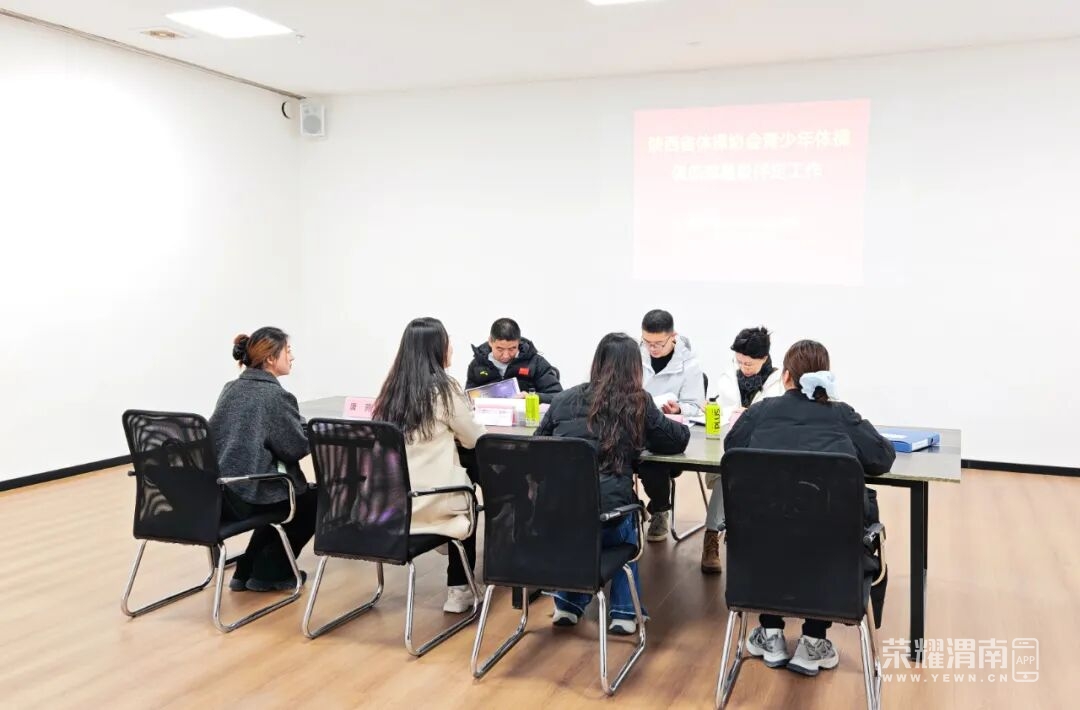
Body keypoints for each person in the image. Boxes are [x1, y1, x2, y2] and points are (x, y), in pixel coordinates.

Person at [724, 339, 895, 677]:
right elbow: (881, 457)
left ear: (786, 376)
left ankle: (770, 633)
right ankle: (813, 641)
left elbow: (733, 449)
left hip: (760, 552)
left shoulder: (760, 412)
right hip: (831, 558)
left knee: (775, 526)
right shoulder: (841, 415)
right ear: (826, 378)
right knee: (820, 528)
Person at [535, 333, 690, 635]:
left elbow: (538, 445)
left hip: (560, 512)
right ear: (634, 367)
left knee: (581, 522)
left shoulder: (564, 399)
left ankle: (567, 604)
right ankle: (623, 612)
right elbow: (675, 440)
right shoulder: (637, 402)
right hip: (610, 514)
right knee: (625, 529)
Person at [373, 317, 486, 613]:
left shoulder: (391, 390)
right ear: (437, 348)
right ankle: (460, 589)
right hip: (433, 500)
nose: (452, 348)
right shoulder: (444, 389)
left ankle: (452, 562)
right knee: (470, 492)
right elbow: (474, 438)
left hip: (393, 504)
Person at [210, 327, 317, 592]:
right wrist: (307, 428)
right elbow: (294, 448)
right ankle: (271, 573)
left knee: (282, 499)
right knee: (311, 500)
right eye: (288, 351)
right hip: (247, 495)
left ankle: (245, 571)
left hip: (220, 493)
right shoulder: (275, 396)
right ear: (270, 358)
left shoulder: (230, 388)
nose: (292, 358)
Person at [700, 326, 785, 574]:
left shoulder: (778, 381)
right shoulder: (728, 376)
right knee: (727, 472)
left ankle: (738, 535)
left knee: (739, 473)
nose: (743, 367)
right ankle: (712, 536)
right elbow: (720, 407)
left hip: (764, 450)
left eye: (749, 363)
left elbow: (778, 417)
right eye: (739, 362)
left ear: (764, 358)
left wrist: (750, 415)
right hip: (730, 445)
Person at [636, 309, 705, 542]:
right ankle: (628, 507)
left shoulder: (690, 365)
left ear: (673, 337)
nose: (652, 348)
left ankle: (660, 510)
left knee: (652, 459)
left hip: (668, 431)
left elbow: (696, 406)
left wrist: (679, 409)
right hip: (636, 426)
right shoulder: (635, 355)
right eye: (647, 342)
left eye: (659, 343)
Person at [465, 318, 563, 403]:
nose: (506, 355)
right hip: (488, 417)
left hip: (527, 416)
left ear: (519, 342)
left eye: (512, 348)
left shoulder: (536, 362)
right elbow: (468, 400)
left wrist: (531, 397)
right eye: (500, 349)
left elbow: (558, 397)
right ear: (490, 342)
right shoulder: (477, 365)